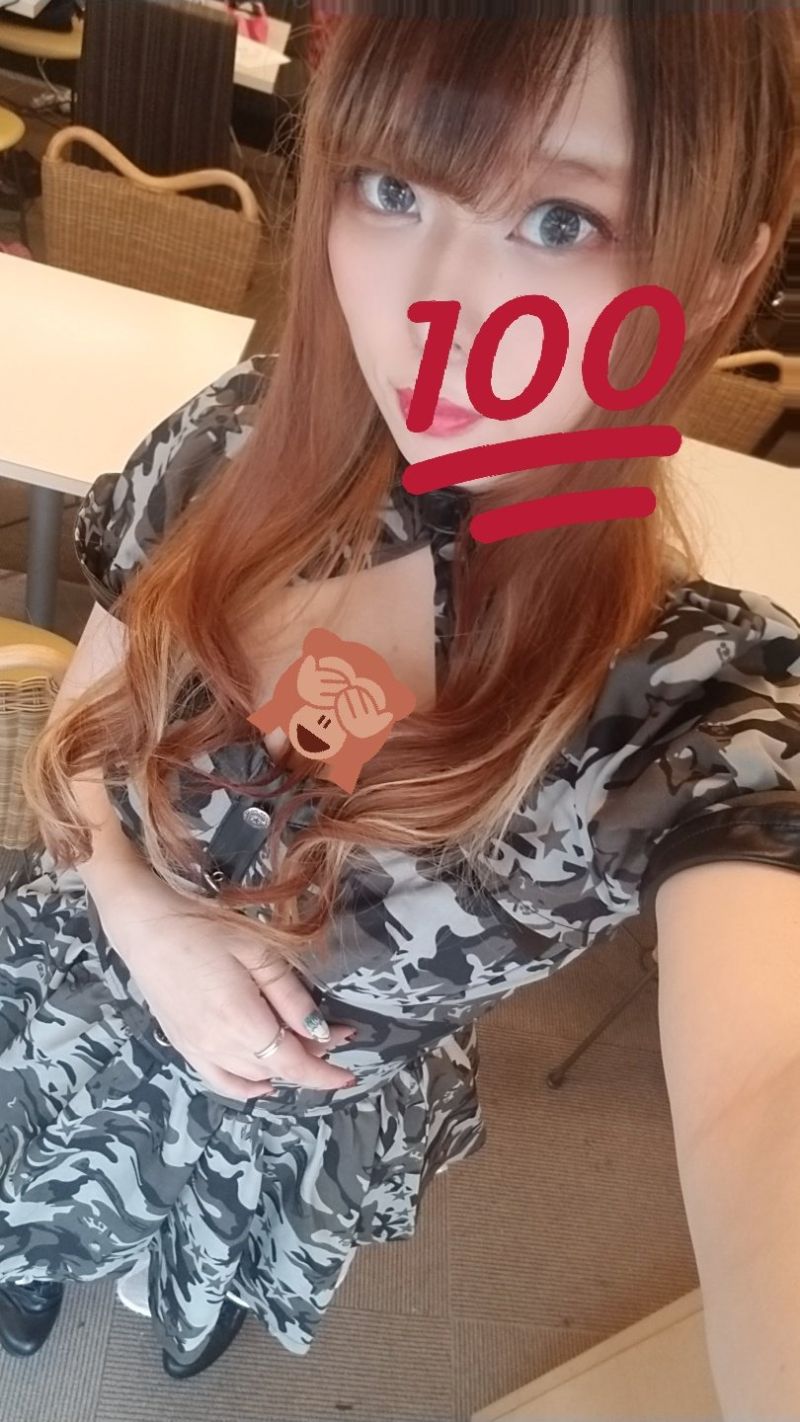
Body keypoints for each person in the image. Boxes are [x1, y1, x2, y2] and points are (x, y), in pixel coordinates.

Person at [1, 4, 799, 1411]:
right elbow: (83, 739)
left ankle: (198, 1283)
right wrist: (138, 908)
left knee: (210, 1270)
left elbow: (764, 1097)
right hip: (76, 988)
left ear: (723, 261)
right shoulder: (232, 445)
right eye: (391, 188)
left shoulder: (679, 705)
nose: (431, 312)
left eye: (558, 221)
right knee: (39, 1191)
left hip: (284, 1124)